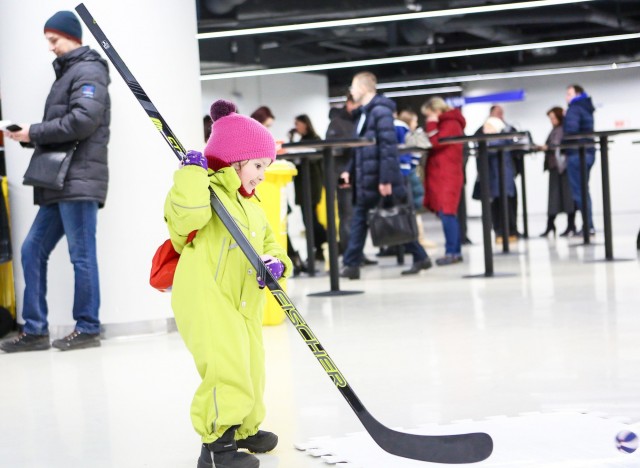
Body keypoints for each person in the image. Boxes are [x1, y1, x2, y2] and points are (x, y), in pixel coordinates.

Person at [166, 100, 292, 468]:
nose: (262, 175)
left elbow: (270, 244)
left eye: (266, 168)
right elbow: (184, 223)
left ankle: (245, 429)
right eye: (257, 166)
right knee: (226, 368)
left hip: (244, 300)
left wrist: (276, 264)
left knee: (252, 365)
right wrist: (190, 175)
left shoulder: (250, 204)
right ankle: (217, 446)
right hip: (207, 297)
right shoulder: (203, 191)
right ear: (235, 160)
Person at [0, 11, 110, 353]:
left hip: (78, 179)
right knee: (32, 249)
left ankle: (89, 327)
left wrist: (34, 131)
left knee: (82, 255)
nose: (51, 48)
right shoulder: (69, 74)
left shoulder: (89, 71)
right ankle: (35, 331)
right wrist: (29, 136)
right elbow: (68, 123)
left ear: (74, 37)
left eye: (54, 40)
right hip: (60, 179)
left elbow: (82, 121)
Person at [339, 71, 431, 279]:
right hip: (366, 178)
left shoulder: (380, 111)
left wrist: (386, 179)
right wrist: (348, 170)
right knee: (364, 219)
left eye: (353, 87)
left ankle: (418, 256)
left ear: (363, 88)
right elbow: (360, 148)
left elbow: (388, 148)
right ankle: (352, 264)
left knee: (392, 217)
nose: (351, 92)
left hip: (378, 178)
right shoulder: (364, 113)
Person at [421, 97, 466, 265]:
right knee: (445, 213)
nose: (428, 118)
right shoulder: (449, 123)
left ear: (437, 111)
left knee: (448, 214)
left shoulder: (451, 123)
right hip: (441, 175)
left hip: (447, 175)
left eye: (429, 114)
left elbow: (436, 142)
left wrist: (432, 125)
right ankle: (453, 251)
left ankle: (452, 252)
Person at [289, 114, 327, 261]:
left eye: (298, 123)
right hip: (303, 185)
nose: (296, 126)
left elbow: (315, 158)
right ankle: (318, 248)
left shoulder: (315, 140)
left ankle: (325, 242)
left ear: (305, 124)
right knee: (308, 219)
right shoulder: (302, 141)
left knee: (311, 219)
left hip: (312, 185)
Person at [326, 93, 358, 254]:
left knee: (356, 216)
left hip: (358, 173)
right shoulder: (337, 123)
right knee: (347, 216)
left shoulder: (359, 121)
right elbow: (334, 150)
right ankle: (349, 252)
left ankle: (356, 252)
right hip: (344, 175)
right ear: (349, 103)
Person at [563, 84, 596, 236]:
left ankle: (588, 227)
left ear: (578, 94)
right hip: (588, 152)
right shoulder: (586, 108)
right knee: (584, 190)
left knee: (579, 192)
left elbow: (571, 130)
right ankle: (589, 225)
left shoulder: (574, 109)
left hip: (577, 154)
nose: (566, 97)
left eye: (569, 94)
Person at [539, 106, 576, 237]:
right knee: (556, 198)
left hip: (562, 167)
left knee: (566, 198)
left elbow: (555, 145)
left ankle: (569, 225)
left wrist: (546, 147)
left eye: (553, 118)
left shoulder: (561, 129)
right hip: (556, 168)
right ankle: (552, 225)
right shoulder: (555, 129)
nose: (551, 120)